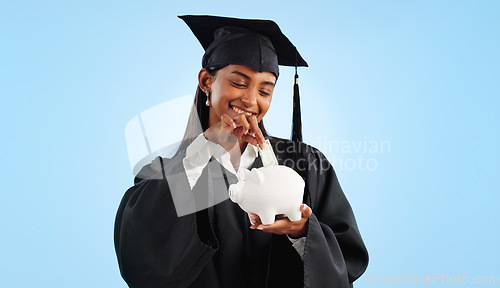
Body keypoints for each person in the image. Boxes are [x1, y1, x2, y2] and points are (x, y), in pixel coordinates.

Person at [114, 15, 369, 288]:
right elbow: (141, 254)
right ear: (206, 81)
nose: (250, 100)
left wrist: (302, 231)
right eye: (239, 83)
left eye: (265, 90)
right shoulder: (169, 171)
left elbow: (347, 260)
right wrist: (207, 150)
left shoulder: (304, 162)